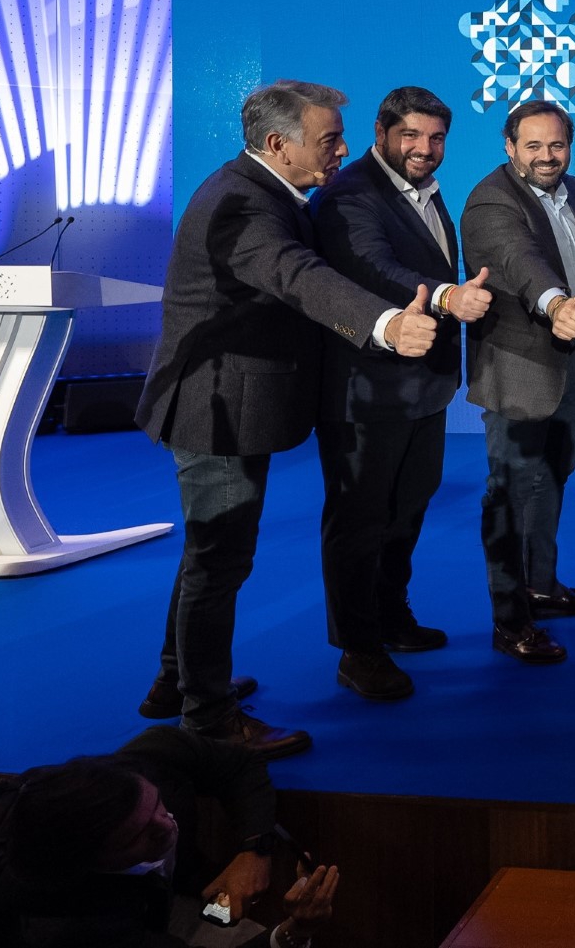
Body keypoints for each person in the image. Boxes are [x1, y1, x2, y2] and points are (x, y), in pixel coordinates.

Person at [134, 80, 437, 759]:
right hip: (217, 408)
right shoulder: (243, 202)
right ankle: (208, 717)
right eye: (330, 138)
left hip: (230, 402)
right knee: (220, 559)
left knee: (208, 554)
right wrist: (386, 324)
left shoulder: (264, 190)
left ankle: (177, 679)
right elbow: (296, 273)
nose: (343, 149)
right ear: (279, 143)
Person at [311, 86, 492, 702]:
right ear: (381, 132)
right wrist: (446, 296)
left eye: (436, 138)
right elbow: (371, 268)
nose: (424, 148)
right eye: (411, 135)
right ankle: (357, 650)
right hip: (364, 389)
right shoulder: (349, 194)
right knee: (359, 519)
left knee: (407, 507)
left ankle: (390, 615)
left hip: (423, 386)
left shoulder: (427, 192)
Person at [0, 727, 339, 948]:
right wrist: (296, 929)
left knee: (224, 919)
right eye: (141, 835)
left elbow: (242, 764)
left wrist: (254, 850)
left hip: (161, 901)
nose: (168, 827)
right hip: (118, 923)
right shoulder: (76, 927)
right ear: (94, 863)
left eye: (157, 806)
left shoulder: (147, 758)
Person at [461, 100, 575, 664]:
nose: (546, 156)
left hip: (569, 360)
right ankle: (510, 619)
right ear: (509, 146)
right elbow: (520, 262)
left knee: (555, 473)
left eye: (556, 145)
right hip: (517, 366)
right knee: (511, 491)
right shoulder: (492, 199)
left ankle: (541, 584)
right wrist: (557, 304)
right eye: (533, 145)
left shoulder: (574, 191)